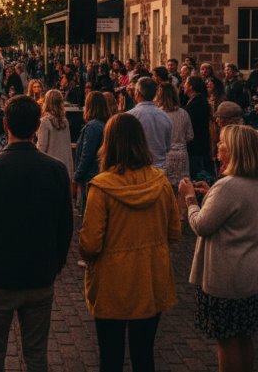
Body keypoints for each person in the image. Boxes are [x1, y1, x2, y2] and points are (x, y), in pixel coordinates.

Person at [0, 96, 73, 372]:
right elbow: (65, 225)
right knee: (36, 355)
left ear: (6, 125)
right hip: (39, 277)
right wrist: (55, 264)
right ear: (38, 125)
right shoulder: (56, 170)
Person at [81, 113, 180, 372]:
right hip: (151, 277)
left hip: (113, 281)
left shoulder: (101, 187)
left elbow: (91, 243)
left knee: (110, 357)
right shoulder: (161, 183)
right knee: (144, 354)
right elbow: (174, 232)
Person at [179, 124, 258, 372]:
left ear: (236, 151)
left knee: (227, 339)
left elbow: (201, 225)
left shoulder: (228, 186)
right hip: (252, 270)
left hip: (227, 273)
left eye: (223, 143)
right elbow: (238, 211)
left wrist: (189, 198)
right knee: (244, 335)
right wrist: (211, 196)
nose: (218, 145)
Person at [75, 91, 112, 219]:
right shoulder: (107, 123)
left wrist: (78, 175)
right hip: (102, 172)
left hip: (90, 174)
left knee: (89, 213)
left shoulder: (92, 127)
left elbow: (87, 154)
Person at [125, 77, 173, 170]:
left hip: (138, 169)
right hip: (160, 169)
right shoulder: (165, 116)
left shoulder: (129, 116)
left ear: (137, 93)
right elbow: (167, 147)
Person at [155, 83, 193, 188]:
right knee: (182, 188)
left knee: (166, 188)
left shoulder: (158, 114)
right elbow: (190, 136)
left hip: (165, 156)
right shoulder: (184, 113)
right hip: (182, 155)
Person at [36, 89, 74, 176]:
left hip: (49, 169)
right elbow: (68, 147)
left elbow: (41, 149)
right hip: (64, 168)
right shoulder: (65, 121)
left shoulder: (44, 121)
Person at [185, 76, 214, 179]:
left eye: (186, 83)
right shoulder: (195, 101)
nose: (184, 85)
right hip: (199, 144)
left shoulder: (197, 103)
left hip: (197, 145)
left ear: (191, 87)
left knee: (198, 174)